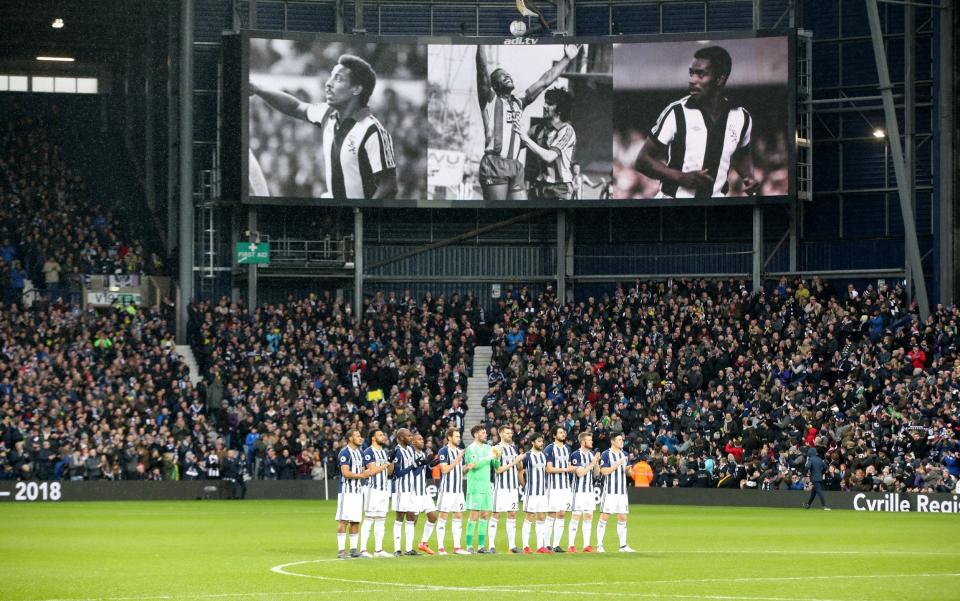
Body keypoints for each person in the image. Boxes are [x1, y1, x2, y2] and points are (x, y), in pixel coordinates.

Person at [250, 54, 398, 200]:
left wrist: (362, 218)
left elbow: (389, 186)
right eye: (331, 76)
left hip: (356, 218)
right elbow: (295, 107)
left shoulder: (372, 130)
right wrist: (257, 89)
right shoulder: (327, 113)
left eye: (338, 78)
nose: (328, 83)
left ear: (356, 89)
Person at [633, 45, 759, 199]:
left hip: (715, 207)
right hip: (673, 205)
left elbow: (742, 154)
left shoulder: (741, 117)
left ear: (720, 79)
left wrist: (749, 177)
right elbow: (642, 161)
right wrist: (680, 177)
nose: (692, 80)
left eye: (701, 74)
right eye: (691, 73)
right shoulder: (676, 112)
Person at [475, 44, 581, 200]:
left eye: (508, 74)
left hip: (515, 165)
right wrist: (480, 43)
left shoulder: (519, 102)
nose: (508, 76)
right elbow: (482, 72)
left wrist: (567, 58)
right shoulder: (490, 101)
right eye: (502, 76)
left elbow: (545, 81)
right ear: (495, 85)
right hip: (495, 163)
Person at [515, 87, 577, 200]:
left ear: (560, 110)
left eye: (550, 104)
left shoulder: (567, 130)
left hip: (560, 188)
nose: (544, 106)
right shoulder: (537, 129)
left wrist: (525, 138)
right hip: (539, 187)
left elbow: (549, 157)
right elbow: (516, 146)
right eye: (545, 102)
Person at [336, 429, 388, 559]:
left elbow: (365, 470)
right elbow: (345, 472)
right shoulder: (344, 452)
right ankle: (341, 550)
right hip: (346, 491)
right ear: (350, 438)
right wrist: (362, 475)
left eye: (360, 436)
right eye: (357, 436)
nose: (360, 438)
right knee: (344, 520)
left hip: (358, 492)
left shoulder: (359, 453)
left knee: (355, 521)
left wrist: (368, 471)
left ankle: (354, 550)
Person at [463, 424, 501, 553]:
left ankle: (480, 546)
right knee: (474, 515)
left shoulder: (489, 448)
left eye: (486, 432)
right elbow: (474, 466)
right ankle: (469, 546)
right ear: (476, 435)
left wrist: (497, 456)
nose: (486, 434)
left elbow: (496, 466)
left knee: (485, 515)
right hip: (475, 486)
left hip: (486, 486)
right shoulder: (471, 449)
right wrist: (489, 457)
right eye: (483, 433)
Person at [358, 429, 395, 558]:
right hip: (372, 490)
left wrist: (391, 462)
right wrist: (386, 464)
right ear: (373, 438)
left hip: (384, 490)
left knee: (381, 519)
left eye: (383, 434)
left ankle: (378, 550)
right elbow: (372, 471)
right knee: (369, 518)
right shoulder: (368, 452)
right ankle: (363, 549)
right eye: (380, 435)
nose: (383, 436)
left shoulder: (384, 453)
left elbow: (389, 472)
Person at [490, 424, 525, 554]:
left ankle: (512, 546)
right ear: (501, 434)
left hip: (512, 488)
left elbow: (519, 468)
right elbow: (498, 470)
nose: (510, 435)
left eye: (511, 433)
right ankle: (491, 546)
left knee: (512, 514)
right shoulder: (495, 449)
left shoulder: (513, 448)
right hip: (501, 488)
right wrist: (515, 461)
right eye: (507, 433)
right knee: (496, 515)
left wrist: (520, 460)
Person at [435, 427, 470, 555]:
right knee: (443, 516)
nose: (459, 438)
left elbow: (460, 470)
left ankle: (457, 547)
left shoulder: (460, 451)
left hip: (458, 491)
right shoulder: (443, 451)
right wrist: (458, 459)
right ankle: (440, 548)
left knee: (458, 516)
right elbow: (444, 470)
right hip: (447, 490)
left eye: (459, 436)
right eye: (456, 436)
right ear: (449, 437)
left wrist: (468, 467)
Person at [597, 433, 635, 553]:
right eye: (619, 440)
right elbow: (604, 472)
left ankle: (623, 546)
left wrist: (628, 471)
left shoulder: (624, 454)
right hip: (610, 492)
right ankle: (599, 545)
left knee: (623, 517)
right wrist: (617, 464)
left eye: (622, 440)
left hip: (622, 492)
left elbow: (627, 473)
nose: (621, 441)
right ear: (613, 441)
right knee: (604, 516)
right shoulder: (606, 454)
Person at [544, 424, 574, 553]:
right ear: (554, 435)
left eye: (564, 432)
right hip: (553, 487)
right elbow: (548, 468)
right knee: (551, 514)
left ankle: (556, 544)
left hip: (566, 487)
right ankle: (546, 544)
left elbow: (569, 465)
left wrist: (570, 469)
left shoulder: (568, 448)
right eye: (560, 432)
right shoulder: (549, 448)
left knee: (562, 514)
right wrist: (566, 469)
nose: (563, 434)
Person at [568, 431, 600, 552]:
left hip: (589, 491)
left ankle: (586, 545)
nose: (591, 442)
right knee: (576, 516)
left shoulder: (592, 454)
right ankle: (571, 545)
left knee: (588, 516)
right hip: (578, 491)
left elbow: (597, 474)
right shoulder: (576, 455)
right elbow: (580, 473)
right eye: (589, 440)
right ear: (583, 442)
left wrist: (596, 462)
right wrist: (592, 463)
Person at [389, 428, 419, 556]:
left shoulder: (411, 449)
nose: (411, 437)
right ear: (401, 438)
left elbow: (412, 470)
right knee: (400, 516)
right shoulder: (396, 451)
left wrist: (419, 465)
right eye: (409, 435)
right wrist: (414, 466)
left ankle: (409, 548)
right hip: (401, 489)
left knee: (411, 516)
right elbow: (397, 473)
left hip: (411, 488)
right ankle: (397, 549)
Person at [411, 432, 441, 555]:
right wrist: (426, 460)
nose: (422, 441)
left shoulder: (423, 454)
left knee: (433, 516)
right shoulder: (410, 454)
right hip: (413, 492)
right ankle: (408, 546)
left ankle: (423, 543)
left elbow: (426, 469)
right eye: (419, 439)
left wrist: (434, 462)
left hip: (423, 491)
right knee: (413, 520)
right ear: (413, 442)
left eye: (422, 439)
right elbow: (413, 472)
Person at [521, 433, 550, 553]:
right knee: (529, 517)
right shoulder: (527, 456)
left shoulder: (544, 455)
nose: (541, 443)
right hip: (531, 492)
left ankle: (540, 546)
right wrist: (525, 486)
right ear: (532, 442)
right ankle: (525, 546)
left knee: (542, 517)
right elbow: (520, 472)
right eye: (538, 441)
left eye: (542, 441)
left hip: (542, 492)